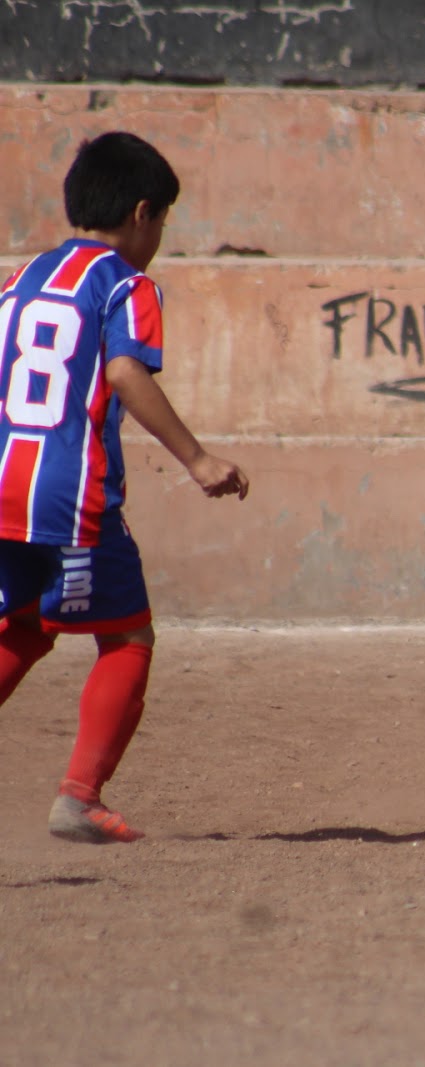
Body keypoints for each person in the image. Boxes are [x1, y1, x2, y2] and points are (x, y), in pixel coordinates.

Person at [0, 131, 249, 844]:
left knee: (23, 626)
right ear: (143, 213)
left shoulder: (22, 280)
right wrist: (197, 459)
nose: (159, 239)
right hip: (71, 494)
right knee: (128, 635)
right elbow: (124, 372)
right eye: (163, 222)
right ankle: (79, 798)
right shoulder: (126, 284)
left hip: (6, 483)